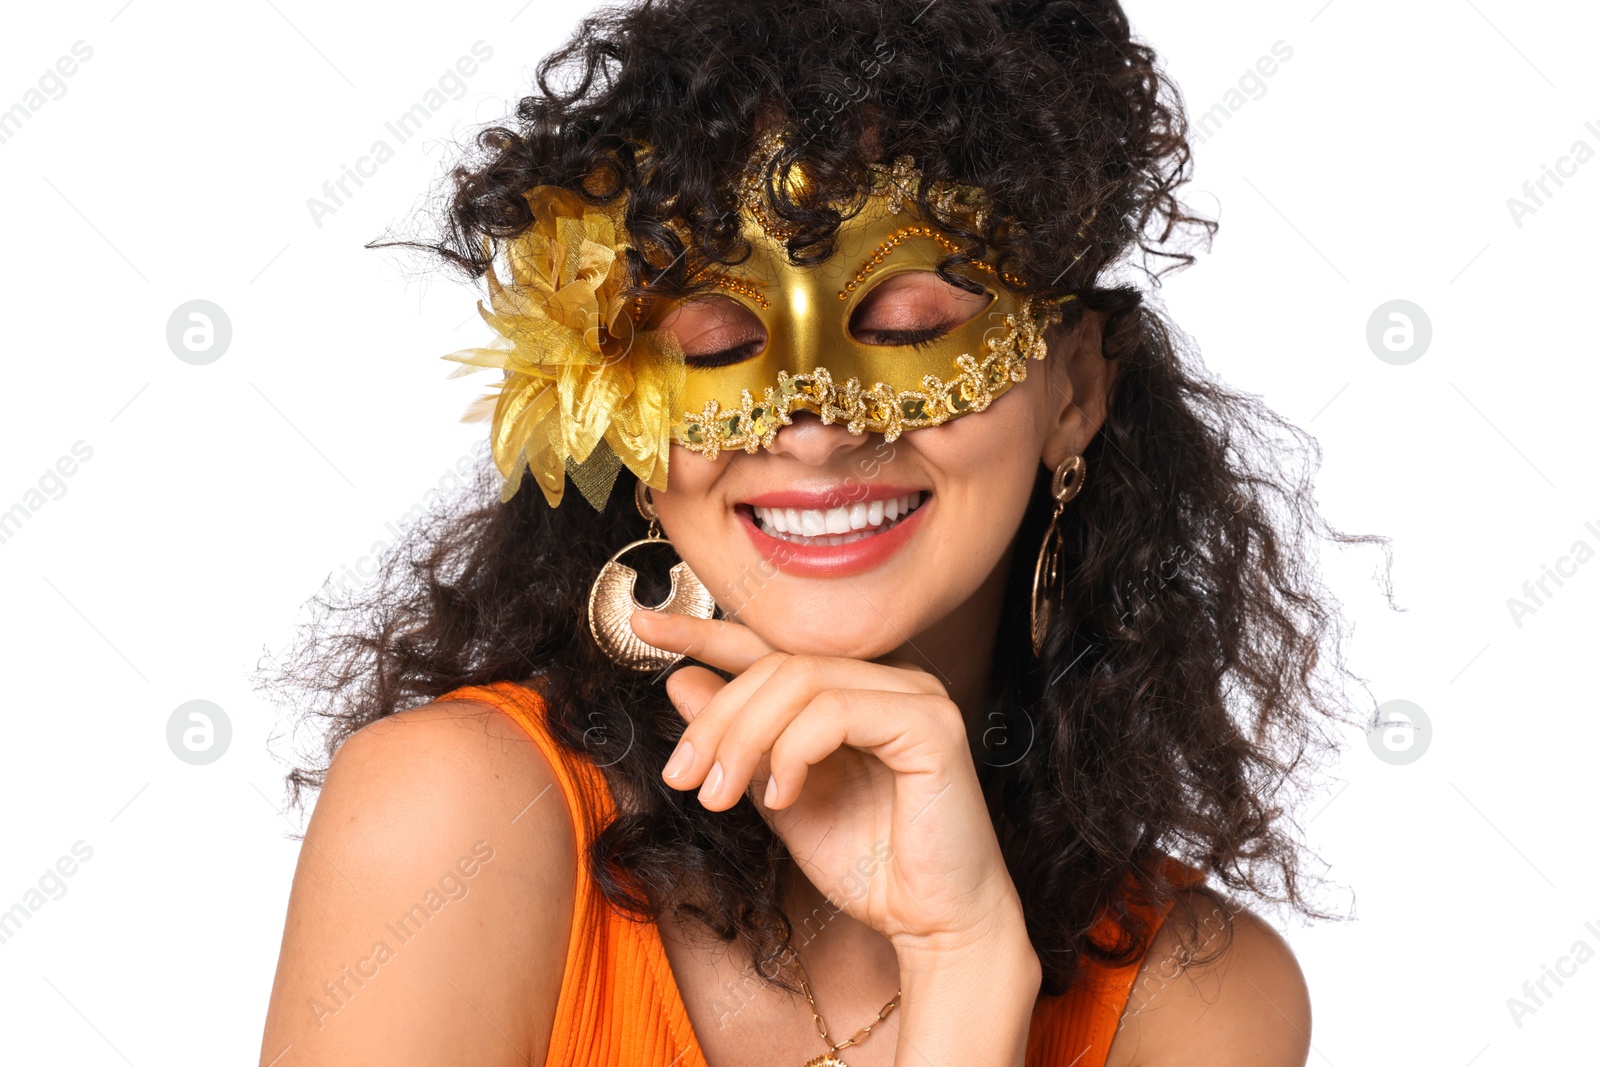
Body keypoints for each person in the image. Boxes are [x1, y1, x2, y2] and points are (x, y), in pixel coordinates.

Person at [259, 1, 1374, 1063]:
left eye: (908, 326)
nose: (813, 424)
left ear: (1074, 386)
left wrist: (967, 965)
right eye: (710, 339)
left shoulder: (1195, 997)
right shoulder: (455, 825)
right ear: (624, 427)